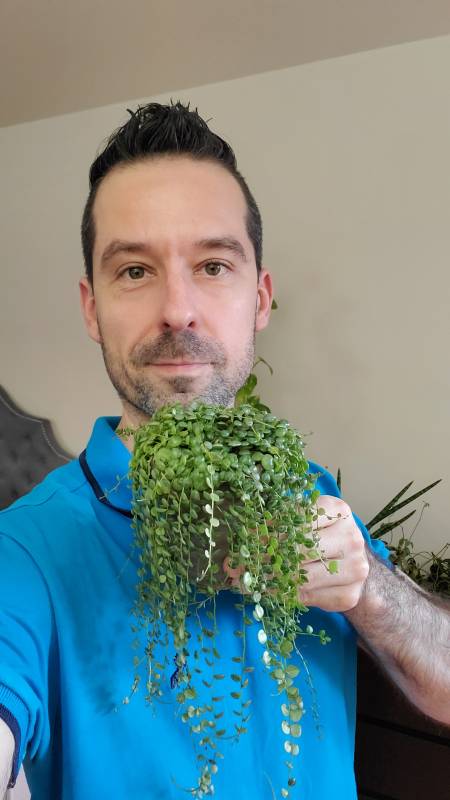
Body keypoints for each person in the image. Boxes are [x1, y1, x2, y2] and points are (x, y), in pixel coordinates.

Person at [0, 101, 448, 800]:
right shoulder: (25, 551)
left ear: (260, 297)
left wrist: (370, 591)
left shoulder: (308, 492)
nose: (177, 309)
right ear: (91, 307)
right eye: (135, 271)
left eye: (213, 265)